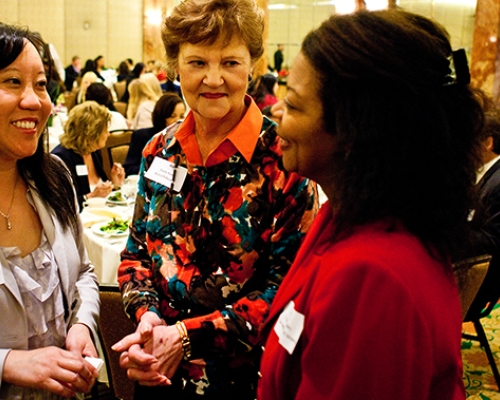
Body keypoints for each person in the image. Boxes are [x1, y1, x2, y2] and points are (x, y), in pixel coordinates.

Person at [257, 9, 485, 400]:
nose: (275, 112)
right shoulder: (351, 217)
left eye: (293, 105)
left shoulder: (372, 277)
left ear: (353, 132)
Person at [111, 0, 318, 398]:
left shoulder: (286, 159)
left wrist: (186, 337)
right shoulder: (159, 150)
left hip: (243, 378)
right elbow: (136, 254)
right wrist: (148, 316)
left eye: (230, 63)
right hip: (159, 370)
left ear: (254, 65)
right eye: (197, 63)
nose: (213, 78)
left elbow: (288, 288)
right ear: (175, 67)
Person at [0, 23, 100, 398]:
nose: (34, 101)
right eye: (12, 82)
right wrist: (8, 362)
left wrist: (81, 326)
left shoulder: (53, 176)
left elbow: (84, 274)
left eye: (41, 84)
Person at [51, 101, 125, 211]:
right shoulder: (61, 159)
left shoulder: (93, 151)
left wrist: (115, 185)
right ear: (91, 135)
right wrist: (89, 197)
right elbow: (60, 205)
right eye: (105, 130)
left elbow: (102, 195)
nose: (108, 134)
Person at [465, 99, 500, 320]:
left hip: (480, 283)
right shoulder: (483, 174)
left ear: (487, 142)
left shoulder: (498, 183)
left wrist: (451, 232)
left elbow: (495, 241)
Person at [124, 92, 186, 176]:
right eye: (172, 116)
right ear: (162, 116)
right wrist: (155, 171)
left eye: (182, 116)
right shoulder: (143, 136)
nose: (178, 121)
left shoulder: (186, 139)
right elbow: (129, 168)